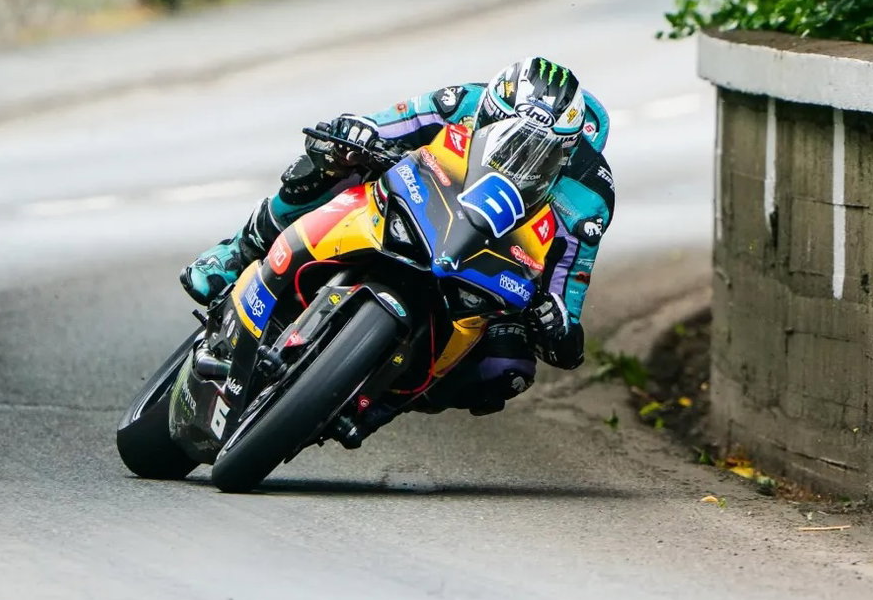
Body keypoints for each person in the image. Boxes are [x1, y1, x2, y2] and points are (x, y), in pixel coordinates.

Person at [180, 57, 614, 446]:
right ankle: (236, 252)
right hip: (425, 203)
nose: (517, 156)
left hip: (491, 263)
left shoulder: (590, 194)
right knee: (331, 161)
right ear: (486, 111)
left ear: (568, 149)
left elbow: (568, 299)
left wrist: (555, 321)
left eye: (539, 151)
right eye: (503, 133)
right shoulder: (461, 100)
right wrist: (352, 134)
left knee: (507, 366)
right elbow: (384, 124)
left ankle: (380, 401)